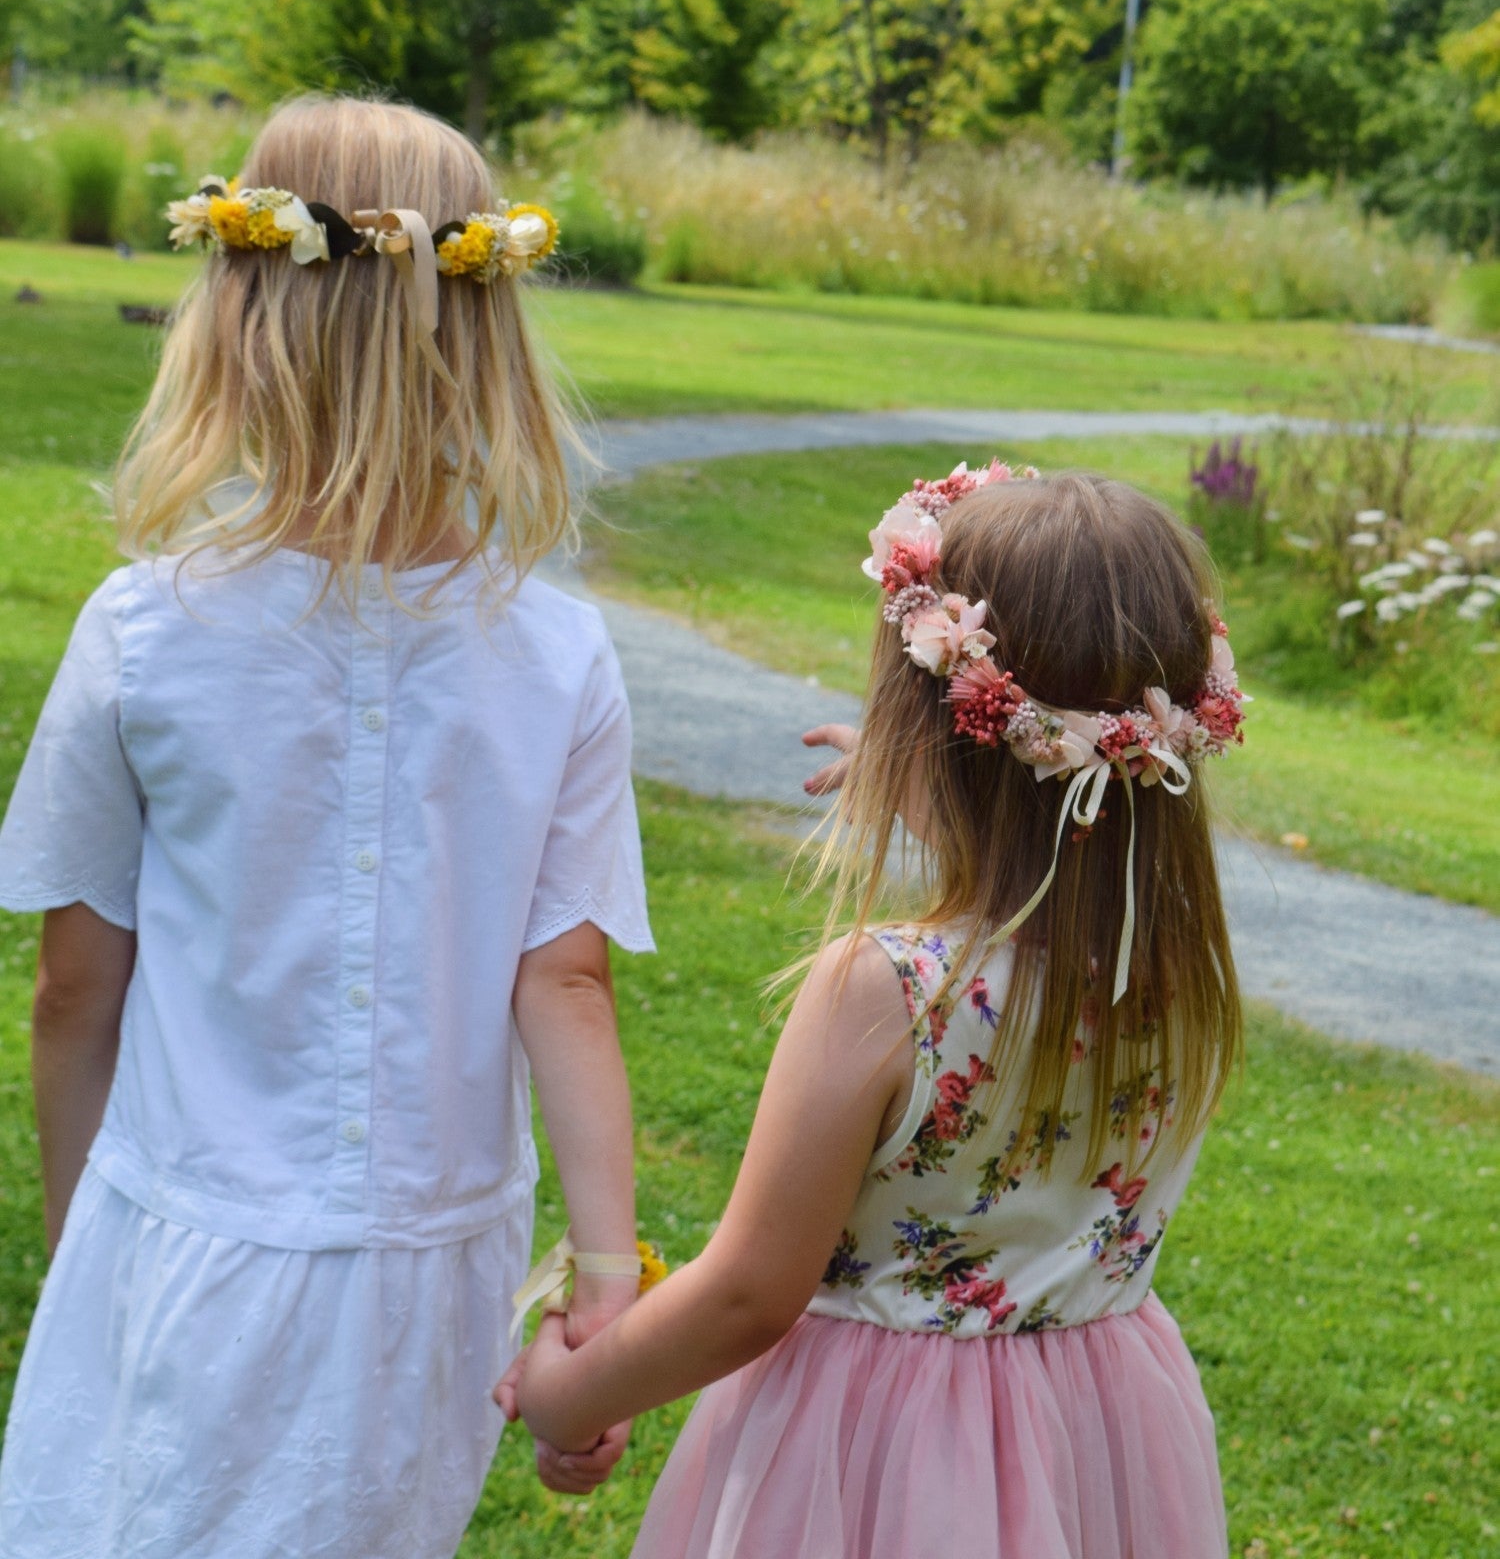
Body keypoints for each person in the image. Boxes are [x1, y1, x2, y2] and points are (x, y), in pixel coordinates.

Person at [0, 96, 653, 1559]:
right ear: (482, 334)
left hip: (186, 1235)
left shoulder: (144, 633)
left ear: (241, 318)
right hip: (433, 1269)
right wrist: (604, 1278)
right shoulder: (557, 656)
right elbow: (566, 982)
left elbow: (73, 989)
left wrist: (85, 1250)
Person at [502, 463, 1245, 1557]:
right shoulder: (1176, 962)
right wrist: (950, 794)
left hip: (885, 1447)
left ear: (928, 729)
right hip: (1096, 1414)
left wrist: (569, 1394)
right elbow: (1055, 840)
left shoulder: (884, 991)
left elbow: (748, 1290)